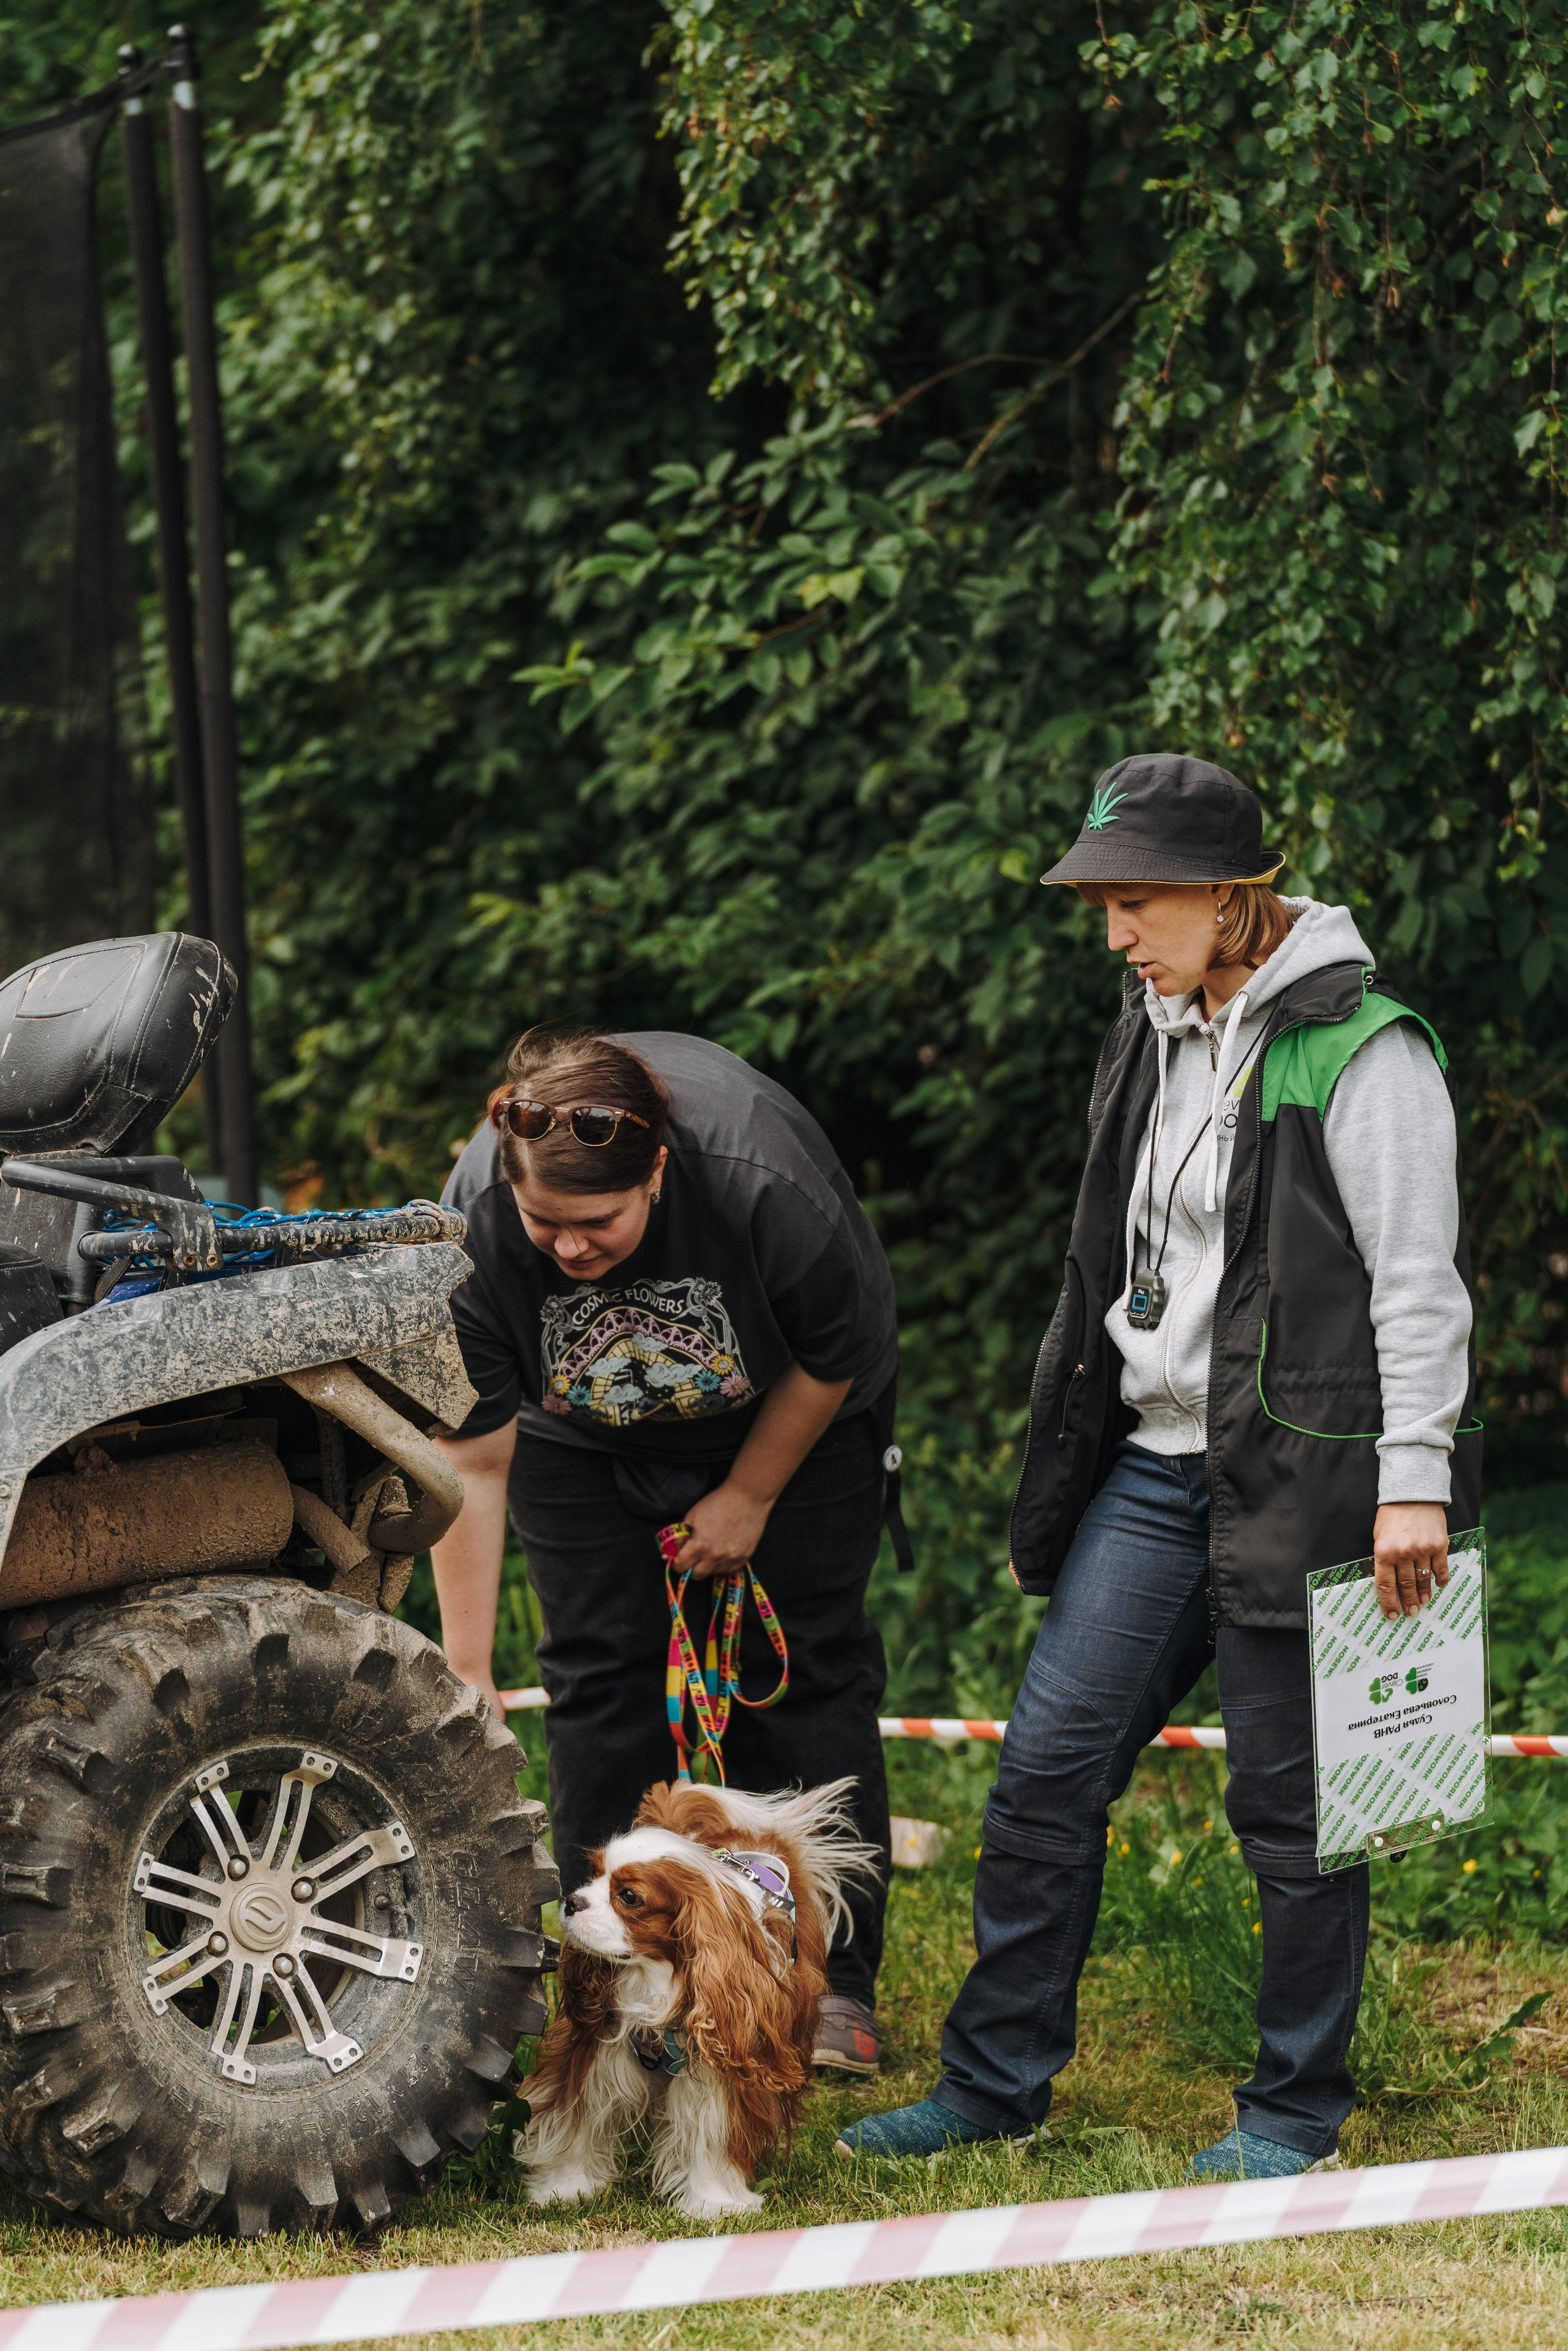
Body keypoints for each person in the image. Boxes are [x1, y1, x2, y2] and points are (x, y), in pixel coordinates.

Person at [840, 752, 1479, 2175]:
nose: (1113, 933)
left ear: (1226, 893)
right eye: (1103, 906)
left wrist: (1411, 1479)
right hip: (1152, 1464)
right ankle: (989, 2088)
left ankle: (1289, 2114)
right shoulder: (1151, 1024)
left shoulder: (1362, 1049)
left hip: (1306, 1479)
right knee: (1042, 1776)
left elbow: (1418, 1288)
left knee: (1291, 1812)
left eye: (1134, 903)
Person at [431, 1025, 899, 2073]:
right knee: (599, 1682)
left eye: (596, 1223)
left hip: (789, 1422)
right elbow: (474, 1455)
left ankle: (828, 1985)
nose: (569, 1250)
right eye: (545, 1224)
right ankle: (606, 1987)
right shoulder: (477, 1221)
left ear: (657, 1169)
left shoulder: (760, 1177)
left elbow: (836, 1352)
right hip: (577, 1435)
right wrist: (465, 1665)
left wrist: (748, 1495)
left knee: (800, 1678)